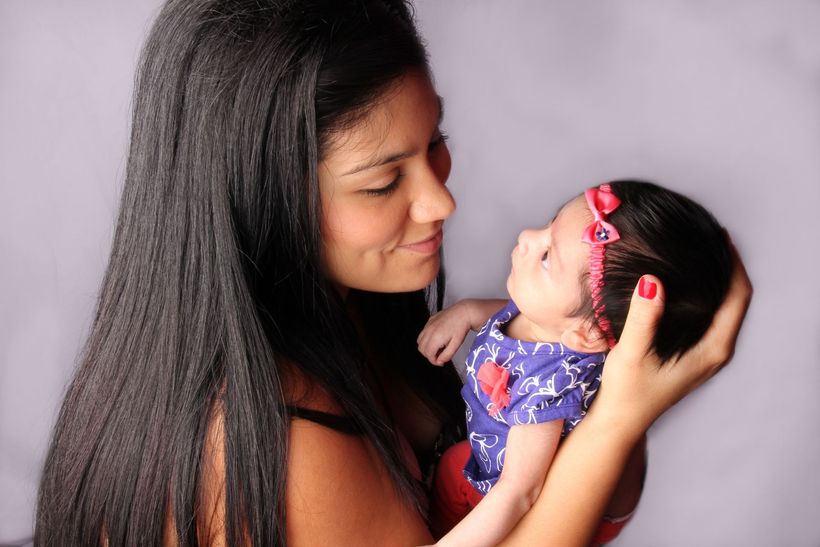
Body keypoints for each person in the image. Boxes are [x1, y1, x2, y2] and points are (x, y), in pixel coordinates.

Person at [34, 1, 752, 546]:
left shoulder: (350, 309)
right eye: (382, 183)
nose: (443, 199)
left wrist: (612, 402)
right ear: (261, 202)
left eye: (434, 141)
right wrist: (619, 420)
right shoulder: (273, 446)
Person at [417, 180, 732, 546]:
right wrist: (469, 311)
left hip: (533, 501)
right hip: (500, 461)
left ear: (583, 338)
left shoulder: (546, 390)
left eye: (547, 257)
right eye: (550, 225)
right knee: (454, 463)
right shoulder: (551, 318)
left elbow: (520, 491)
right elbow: (516, 316)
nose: (526, 237)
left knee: (455, 476)